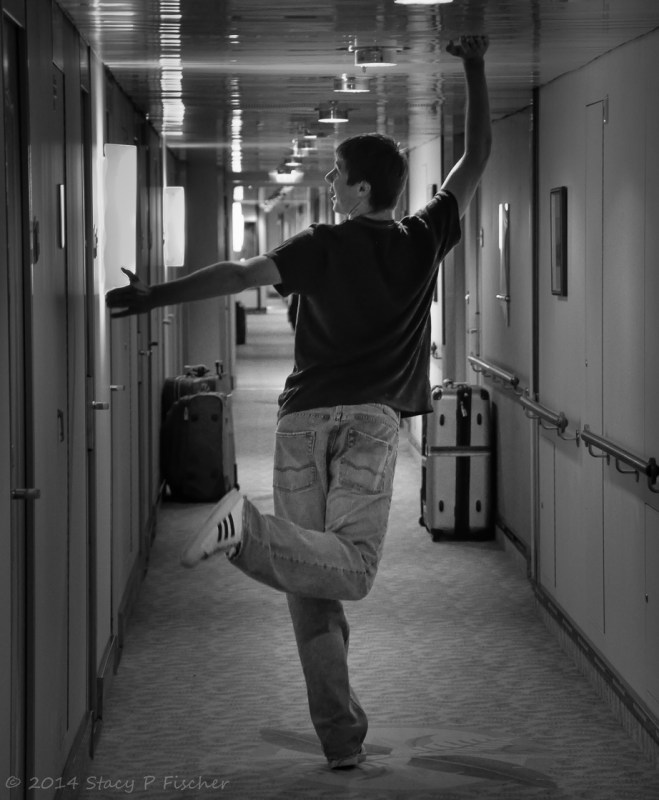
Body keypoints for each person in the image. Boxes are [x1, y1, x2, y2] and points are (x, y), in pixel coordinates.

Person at [106, 35, 491, 770]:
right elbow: (473, 161)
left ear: (355, 191)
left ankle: (333, 724)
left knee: (322, 581)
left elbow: (238, 272)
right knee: (335, 571)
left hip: (303, 419)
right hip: (372, 423)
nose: (331, 178)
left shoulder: (321, 244)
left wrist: (158, 292)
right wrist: (472, 66)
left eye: (337, 173)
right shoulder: (423, 237)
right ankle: (251, 549)